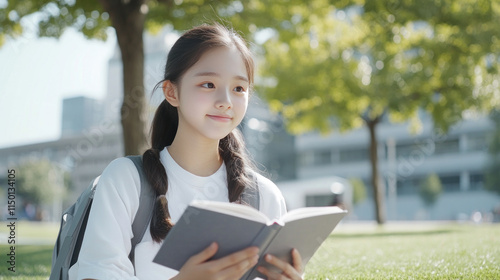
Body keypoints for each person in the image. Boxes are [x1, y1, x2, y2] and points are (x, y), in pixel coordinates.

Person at [69, 23, 304, 280]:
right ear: (171, 92)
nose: (226, 101)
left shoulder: (264, 195)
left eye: (239, 88)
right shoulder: (126, 179)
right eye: (208, 84)